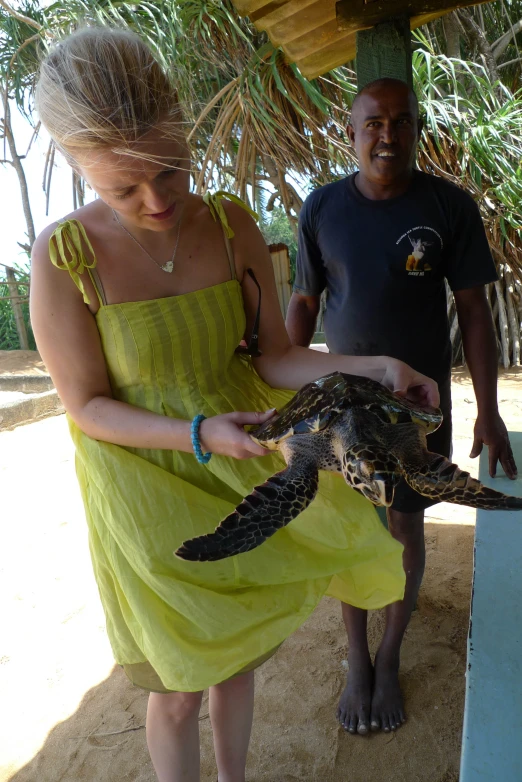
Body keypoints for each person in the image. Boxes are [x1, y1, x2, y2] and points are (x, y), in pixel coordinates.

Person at [30, 32, 439, 782]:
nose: (157, 200)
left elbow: (276, 358)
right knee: (182, 683)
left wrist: (379, 365)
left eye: (170, 168)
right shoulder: (66, 259)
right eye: (124, 188)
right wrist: (195, 432)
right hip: (145, 488)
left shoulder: (228, 225)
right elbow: (86, 404)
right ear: (73, 162)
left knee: (237, 655)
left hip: (238, 463)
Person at [286, 77, 518, 738]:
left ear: (416, 129)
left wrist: (489, 410)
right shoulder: (322, 208)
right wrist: (288, 401)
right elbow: (303, 306)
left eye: (399, 123)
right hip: (344, 411)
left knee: (406, 527)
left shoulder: (449, 207)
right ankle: (356, 655)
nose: (386, 136)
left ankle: (390, 656)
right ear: (351, 131)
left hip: (420, 410)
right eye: (372, 124)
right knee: (348, 529)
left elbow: (474, 314)